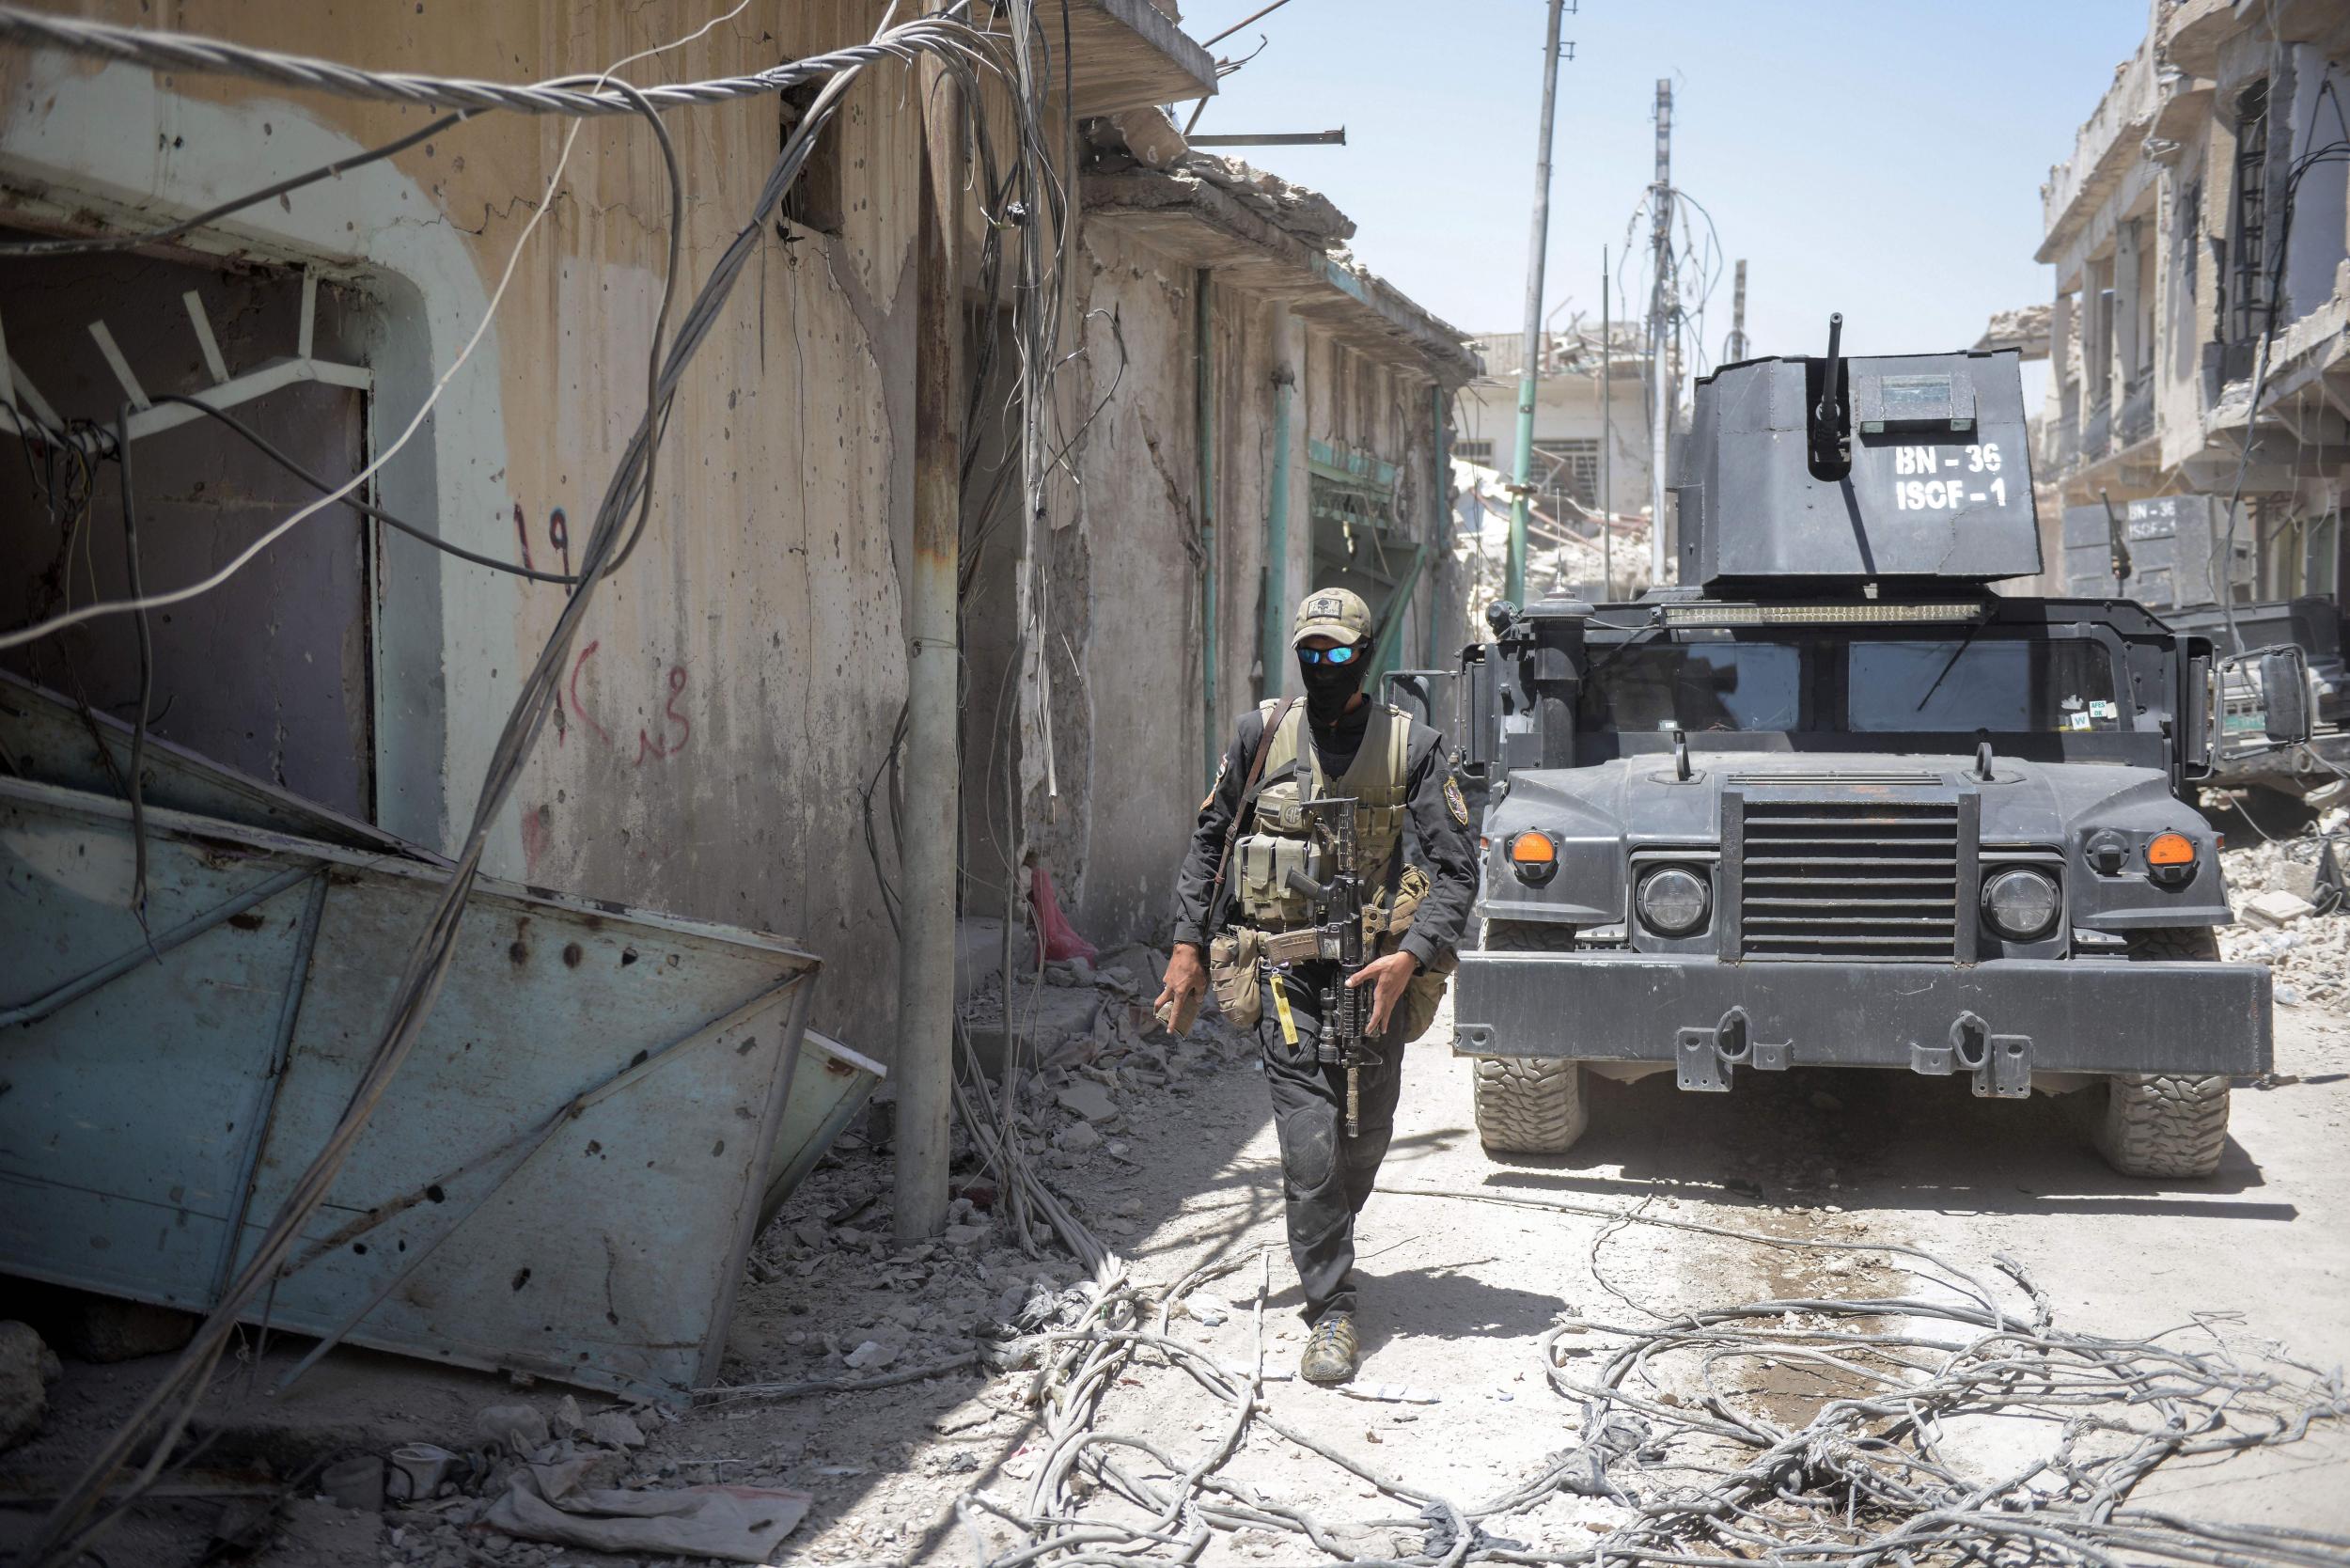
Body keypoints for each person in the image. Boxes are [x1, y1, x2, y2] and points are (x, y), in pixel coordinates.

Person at [1155, 588, 1479, 1385]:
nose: (1323, 666)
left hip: (1377, 978)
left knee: (1361, 1143)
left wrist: (1412, 957)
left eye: (1338, 654)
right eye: (1310, 653)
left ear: (1366, 656)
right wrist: (1186, 944)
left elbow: (1456, 869)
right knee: (1309, 1142)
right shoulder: (1261, 736)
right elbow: (1210, 839)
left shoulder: (1415, 747)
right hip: (1284, 976)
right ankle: (1331, 1308)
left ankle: (1328, 1226)